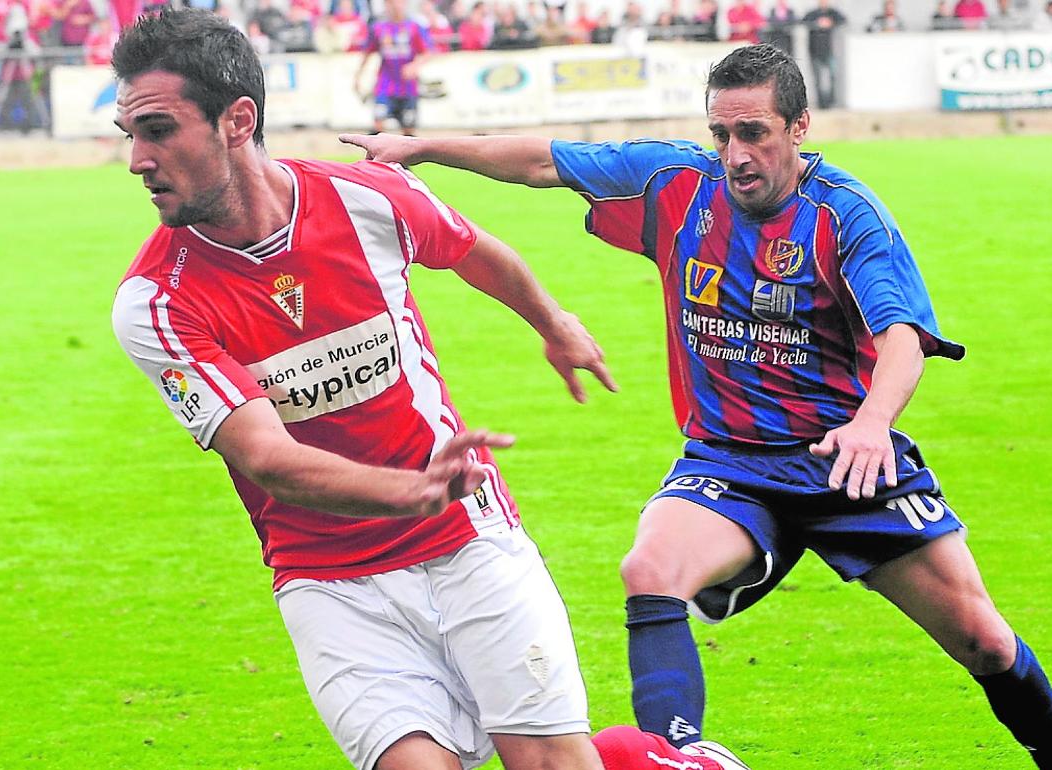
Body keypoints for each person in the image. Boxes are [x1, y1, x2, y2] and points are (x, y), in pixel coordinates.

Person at [340, 43, 1052, 770]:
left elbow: (902, 340)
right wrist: (424, 148)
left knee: (985, 642)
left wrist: (870, 425)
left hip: (845, 462)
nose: (735, 154)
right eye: (722, 134)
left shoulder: (846, 215)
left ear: (798, 129)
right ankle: (681, 759)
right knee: (650, 567)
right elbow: (544, 160)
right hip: (728, 461)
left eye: (754, 133)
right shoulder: (677, 184)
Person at [109, 9, 751, 770]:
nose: (137, 159)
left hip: (468, 541)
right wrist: (407, 491)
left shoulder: (366, 199)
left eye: (158, 130)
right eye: (131, 134)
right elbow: (266, 457)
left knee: (551, 762)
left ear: (237, 120)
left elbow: (475, 250)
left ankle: (654, 760)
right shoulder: (154, 301)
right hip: (329, 581)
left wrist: (555, 321)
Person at [355, 0, 429, 136]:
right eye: (391, 2)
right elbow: (367, 53)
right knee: (378, 125)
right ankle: (374, 157)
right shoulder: (378, 28)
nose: (396, 6)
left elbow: (428, 52)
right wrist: (358, 77)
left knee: (408, 131)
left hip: (408, 88)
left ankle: (404, 156)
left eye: (399, 2)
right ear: (386, 4)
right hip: (385, 86)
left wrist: (414, 66)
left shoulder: (414, 27)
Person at [800, 0, 844, 109]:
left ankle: (831, 101)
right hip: (815, 52)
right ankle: (822, 104)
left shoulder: (833, 13)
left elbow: (843, 20)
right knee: (818, 79)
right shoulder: (813, 14)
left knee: (832, 77)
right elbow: (803, 22)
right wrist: (817, 23)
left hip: (830, 52)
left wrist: (831, 23)